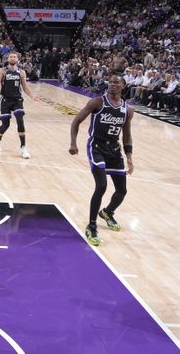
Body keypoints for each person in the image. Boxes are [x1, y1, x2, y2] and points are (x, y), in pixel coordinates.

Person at [69, 75, 134, 246]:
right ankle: (91, 226)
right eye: (110, 82)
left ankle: (107, 212)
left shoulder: (128, 110)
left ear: (123, 85)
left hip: (114, 150)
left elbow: (127, 135)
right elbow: (76, 121)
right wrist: (73, 143)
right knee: (102, 186)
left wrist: (129, 156)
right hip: (96, 147)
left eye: (116, 82)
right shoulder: (97, 102)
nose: (112, 84)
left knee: (122, 191)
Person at [0, 51, 37, 158]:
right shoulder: (3, 71)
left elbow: (25, 87)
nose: (12, 58)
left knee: (20, 120)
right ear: (8, 59)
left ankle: (23, 147)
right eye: (11, 57)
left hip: (17, 100)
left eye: (14, 57)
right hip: (5, 100)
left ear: (17, 59)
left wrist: (32, 96)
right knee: (5, 125)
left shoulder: (21, 72)